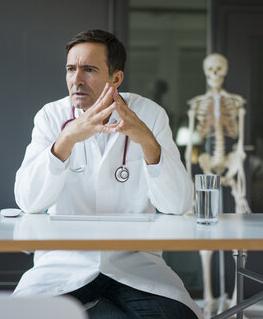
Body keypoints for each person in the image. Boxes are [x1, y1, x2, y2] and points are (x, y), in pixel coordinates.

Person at [13, 29, 201, 319]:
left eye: (88, 69)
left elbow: (178, 205)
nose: (76, 80)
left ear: (116, 79)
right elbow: (28, 201)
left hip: (136, 265)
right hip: (64, 263)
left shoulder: (149, 115)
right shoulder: (51, 117)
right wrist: (66, 140)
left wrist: (147, 142)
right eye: (70, 69)